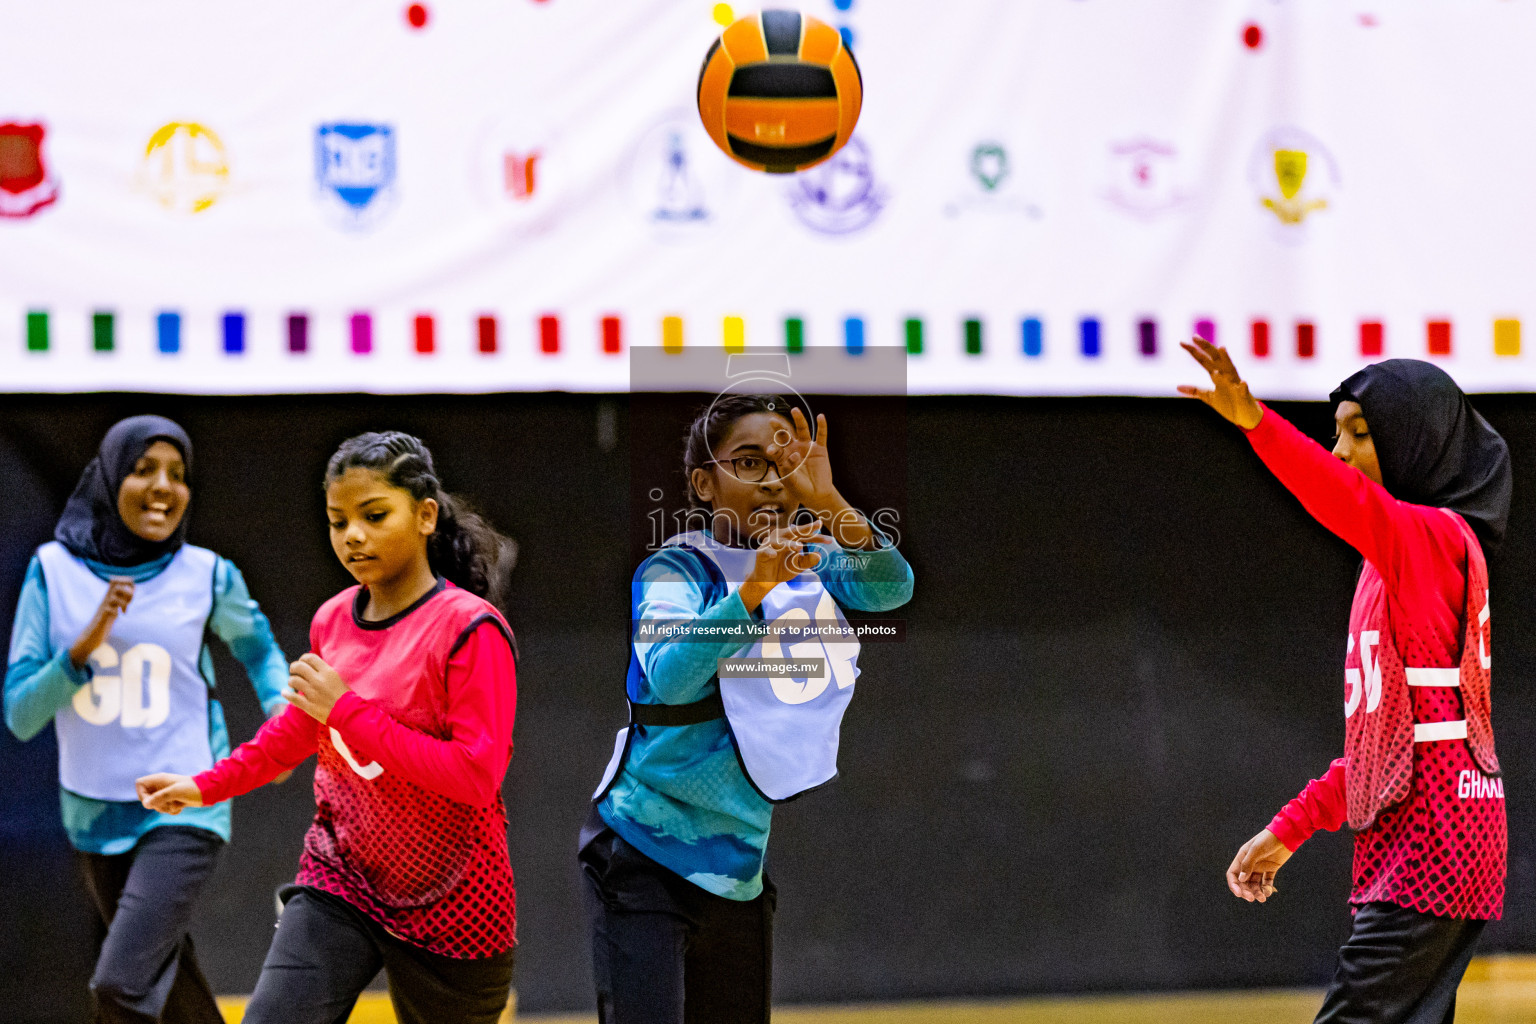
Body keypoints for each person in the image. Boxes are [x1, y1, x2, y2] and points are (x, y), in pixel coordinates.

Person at [136, 431, 519, 1024]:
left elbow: (474, 776)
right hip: (343, 876)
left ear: (424, 516)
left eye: (373, 515)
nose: (353, 536)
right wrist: (203, 786)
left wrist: (347, 711)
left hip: (455, 901)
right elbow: (294, 734)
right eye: (338, 521)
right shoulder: (333, 619)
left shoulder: (471, 629)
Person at [1181, 341, 1510, 1024]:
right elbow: (1383, 745)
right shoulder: (1390, 566)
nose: (1338, 450)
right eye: (1335, 432)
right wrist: (1291, 828)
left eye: (1360, 433)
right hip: (1424, 826)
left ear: (1416, 442)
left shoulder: (1432, 539)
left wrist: (1254, 421)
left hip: (1437, 836)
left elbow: (1343, 496)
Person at [582, 395, 915, 1023]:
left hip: (738, 870)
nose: (770, 479)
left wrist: (829, 502)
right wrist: (751, 590)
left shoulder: (811, 560)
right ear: (705, 484)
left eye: (784, 462)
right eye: (748, 462)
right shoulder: (675, 567)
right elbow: (672, 680)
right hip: (642, 853)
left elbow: (892, 588)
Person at [4, 415, 290, 1024]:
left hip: (187, 800)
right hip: (94, 809)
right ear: (108, 479)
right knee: (170, 978)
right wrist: (80, 651)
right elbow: (22, 714)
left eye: (178, 474)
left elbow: (259, 649)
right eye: (143, 469)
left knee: (121, 984)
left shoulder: (208, 574)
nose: (164, 486)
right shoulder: (52, 571)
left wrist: (281, 721)